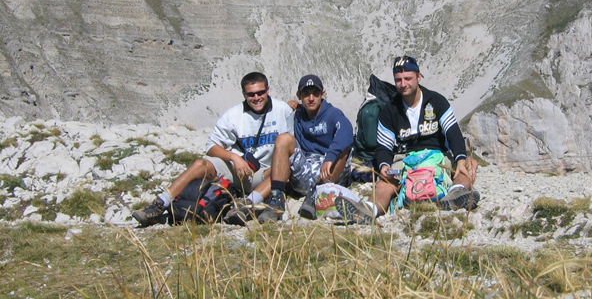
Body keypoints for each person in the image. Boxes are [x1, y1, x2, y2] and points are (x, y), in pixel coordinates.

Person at [132, 72, 295, 227]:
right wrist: (234, 157)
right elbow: (211, 146)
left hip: (265, 171)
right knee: (200, 164)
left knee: (282, 170)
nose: (256, 98)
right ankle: (159, 205)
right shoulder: (233, 115)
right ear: (244, 94)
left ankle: (245, 206)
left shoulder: (282, 110)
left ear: (267, 90)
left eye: (260, 92)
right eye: (251, 94)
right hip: (237, 169)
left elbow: (293, 142)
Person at [335, 56, 479, 224]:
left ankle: (456, 193)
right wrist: (384, 166)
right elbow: (384, 147)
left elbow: (453, 132)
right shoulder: (389, 110)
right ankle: (368, 210)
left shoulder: (437, 101)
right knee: (385, 183)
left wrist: (460, 157)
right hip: (405, 159)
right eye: (398, 80)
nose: (403, 84)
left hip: (437, 155)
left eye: (408, 78)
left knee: (469, 163)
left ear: (419, 77)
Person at [225, 74, 354, 224]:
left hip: (329, 175)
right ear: (299, 96)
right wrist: (290, 107)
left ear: (322, 94)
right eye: (306, 94)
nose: (311, 98)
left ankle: (318, 195)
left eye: (315, 93)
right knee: (283, 139)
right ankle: (271, 199)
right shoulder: (297, 114)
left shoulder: (333, 114)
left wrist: (330, 157)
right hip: (306, 170)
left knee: (345, 149)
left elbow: (346, 133)